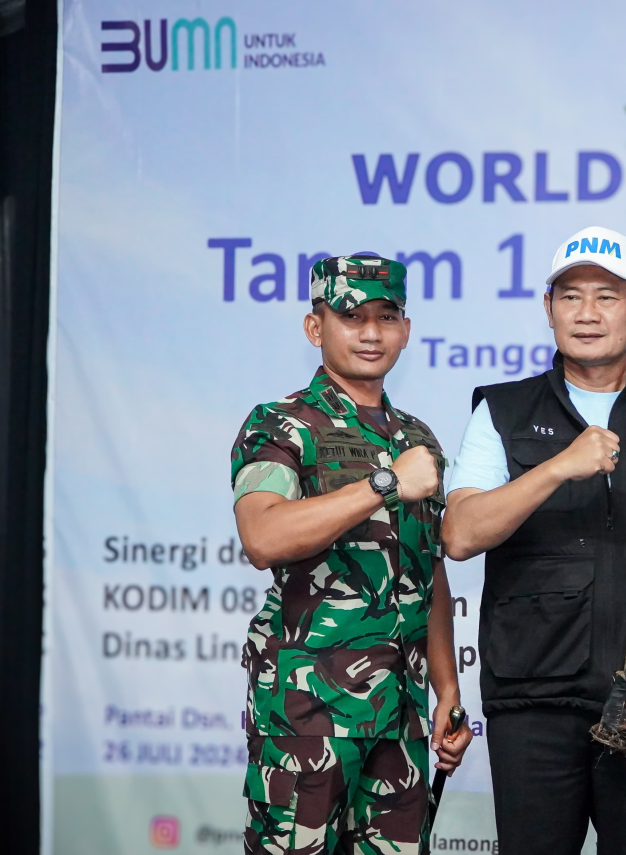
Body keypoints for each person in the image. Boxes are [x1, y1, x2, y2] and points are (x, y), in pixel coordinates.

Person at [441, 226, 626, 855]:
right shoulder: (504, 409)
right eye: (570, 297)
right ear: (548, 309)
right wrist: (556, 466)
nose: (588, 314)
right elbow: (459, 535)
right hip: (534, 697)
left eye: (607, 296)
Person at [230, 255, 472, 855]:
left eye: (385, 317)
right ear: (316, 328)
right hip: (309, 710)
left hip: (405, 709)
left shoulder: (418, 438)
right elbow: (263, 538)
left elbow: (429, 572)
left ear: (406, 331)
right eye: (351, 316)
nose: (370, 333)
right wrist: (383, 484)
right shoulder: (281, 426)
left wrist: (446, 688)